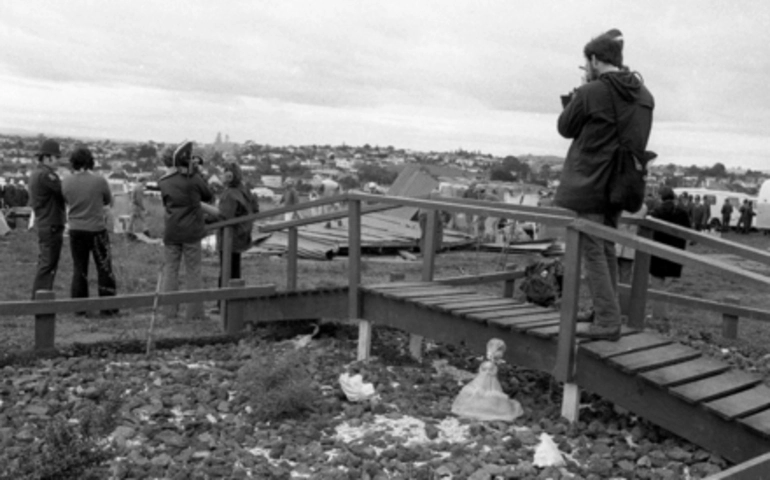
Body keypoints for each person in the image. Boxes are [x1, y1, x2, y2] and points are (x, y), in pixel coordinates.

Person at [554, 29, 654, 341]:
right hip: (622, 183)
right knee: (606, 246)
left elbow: (565, 127)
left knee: (592, 250)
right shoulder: (644, 96)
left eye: (587, 64)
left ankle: (608, 320)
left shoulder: (591, 91)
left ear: (594, 60)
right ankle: (604, 311)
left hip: (590, 182)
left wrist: (583, 90)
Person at [159, 141, 216, 321]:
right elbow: (208, 196)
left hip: (172, 231)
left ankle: (169, 312)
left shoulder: (164, 182)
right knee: (193, 271)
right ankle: (194, 312)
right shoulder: (193, 179)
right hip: (192, 231)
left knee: (171, 270)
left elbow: (166, 203)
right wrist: (197, 172)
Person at [61, 146, 118, 315]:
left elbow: (65, 200)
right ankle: (108, 308)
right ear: (90, 162)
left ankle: (79, 308)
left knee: (79, 269)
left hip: (76, 229)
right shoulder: (99, 181)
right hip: (97, 229)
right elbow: (108, 200)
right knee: (104, 268)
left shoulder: (66, 181)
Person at [28, 139, 67, 298]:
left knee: (46, 262)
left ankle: (41, 297)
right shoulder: (47, 176)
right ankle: (40, 299)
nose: (58, 161)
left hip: (45, 222)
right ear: (47, 157)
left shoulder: (36, 173)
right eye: (56, 157)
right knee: (48, 264)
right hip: (51, 222)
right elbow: (64, 192)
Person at [648, 186, 691, 324]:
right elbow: (689, 232)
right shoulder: (682, 213)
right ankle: (662, 314)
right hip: (676, 252)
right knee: (667, 284)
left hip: (658, 252)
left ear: (660, 197)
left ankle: (658, 315)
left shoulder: (656, 212)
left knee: (657, 282)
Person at [216, 162, 259, 289]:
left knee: (226, 273)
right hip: (241, 235)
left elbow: (224, 217)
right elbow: (255, 209)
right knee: (235, 271)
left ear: (229, 176)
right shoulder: (245, 190)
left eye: (223, 174)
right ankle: (234, 303)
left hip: (229, 237)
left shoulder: (230, 194)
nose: (222, 176)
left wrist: (205, 217)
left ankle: (223, 304)